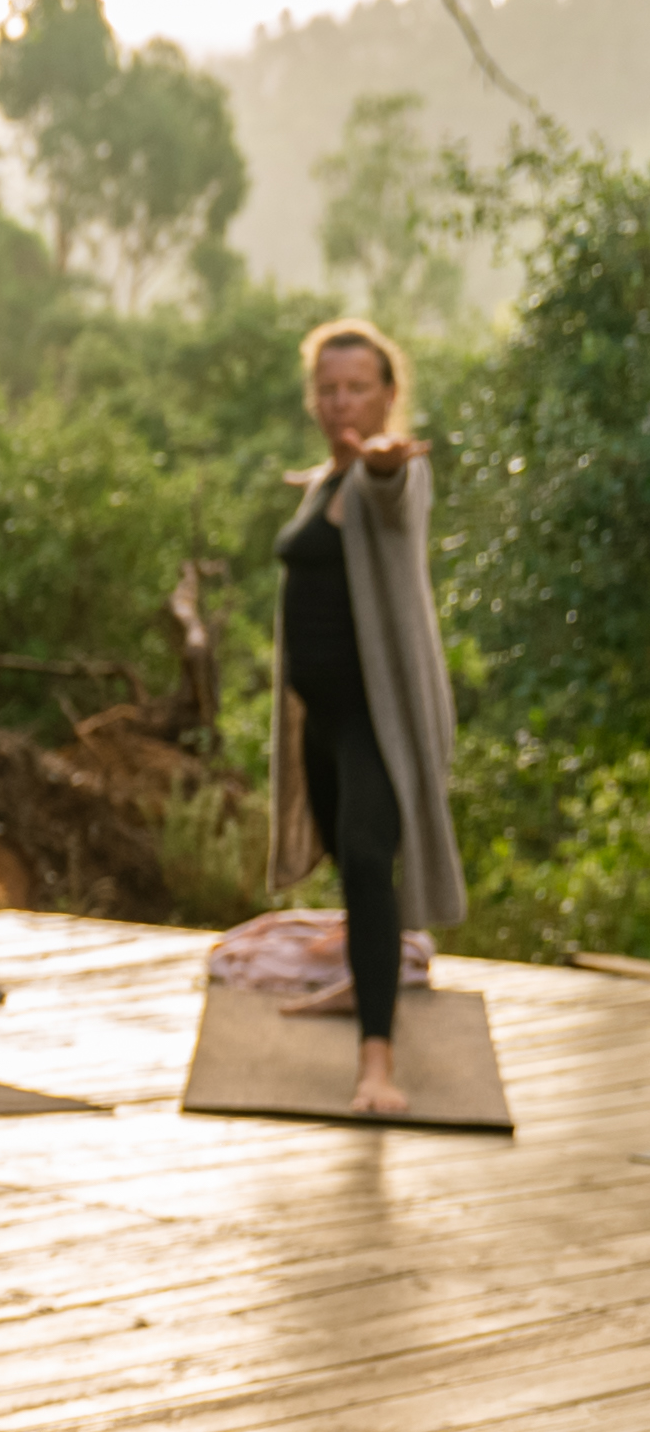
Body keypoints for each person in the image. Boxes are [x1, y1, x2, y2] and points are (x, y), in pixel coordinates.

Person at [269, 317, 457, 1115]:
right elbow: (343, 476)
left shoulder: (395, 474)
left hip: (376, 719)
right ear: (315, 396)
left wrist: (375, 464)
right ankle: (359, 984)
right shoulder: (326, 478)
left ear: (388, 395)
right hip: (321, 716)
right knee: (350, 868)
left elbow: (388, 482)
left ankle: (376, 1067)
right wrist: (337, 470)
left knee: (367, 854)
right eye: (330, 388)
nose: (343, 402)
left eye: (359, 389)